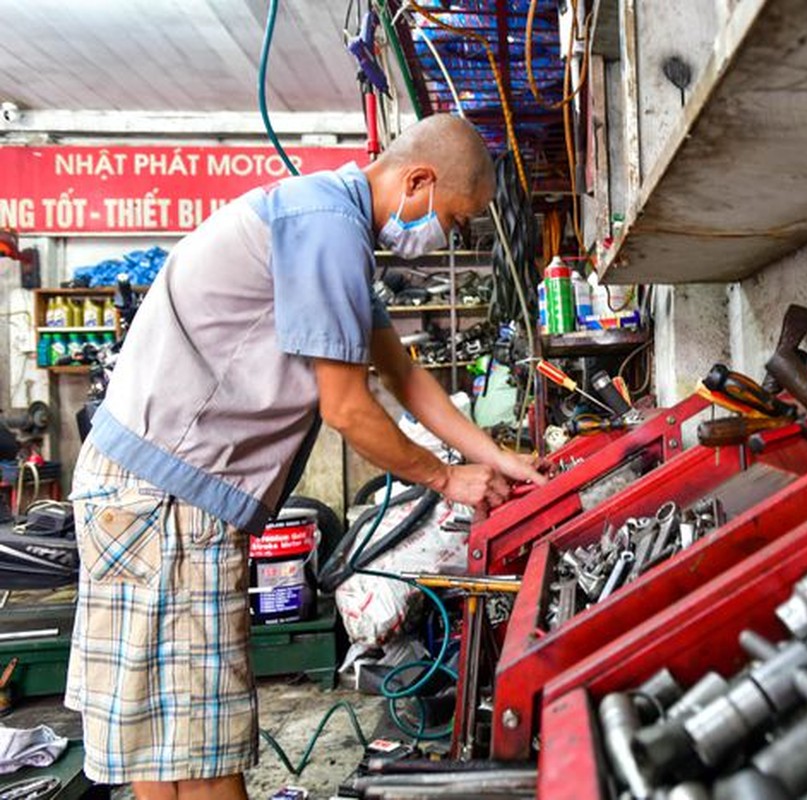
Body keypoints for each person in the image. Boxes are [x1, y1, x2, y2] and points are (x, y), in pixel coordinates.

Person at [67, 114, 546, 799]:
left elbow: (402, 374)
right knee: (201, 743)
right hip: (165, 499)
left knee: (168, 734)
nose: (448, 236)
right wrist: (445, 478)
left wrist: (493, 456)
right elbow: (347, 408)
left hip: (147, 488)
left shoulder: (325, 219)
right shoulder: (326, 227)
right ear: (417, 180)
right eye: (453, 218)